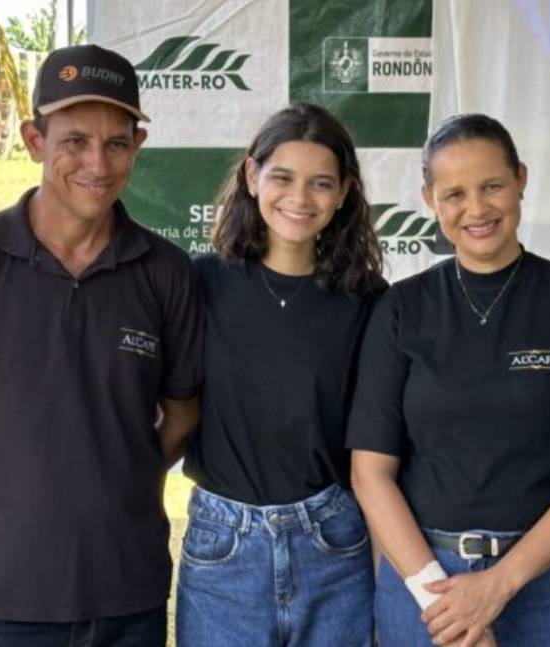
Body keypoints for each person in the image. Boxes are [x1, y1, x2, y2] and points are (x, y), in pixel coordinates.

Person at [0, 44, 203, 646]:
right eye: (74, 140)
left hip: (126, 591)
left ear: (137, 146)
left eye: (116, 142)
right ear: (35, 140)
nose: (97, 162)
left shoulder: (166, 271)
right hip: (1, 594)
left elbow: (184, 411)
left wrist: (122, 475)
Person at [348, 114, 550, 647]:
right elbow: (370, 473)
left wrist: (496, 586)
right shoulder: (401, 310)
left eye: (492, 186)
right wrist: (440, 599)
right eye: (455, 193)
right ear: (429, 199)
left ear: (521, 180)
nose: (477, 209)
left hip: (549, 583)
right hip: (425, 588)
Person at [174, 102, 387, 646]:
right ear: (252, 175)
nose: (299, 198)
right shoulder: (200, 285)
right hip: (224, 547)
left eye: (321, 183)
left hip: (333, 542)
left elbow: (381, 447)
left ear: (343, 193)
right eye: (283, 177)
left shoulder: (368, 303)